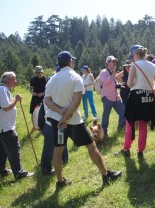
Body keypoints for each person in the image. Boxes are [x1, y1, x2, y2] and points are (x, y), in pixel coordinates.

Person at [44, 51, 121, 191]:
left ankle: (60, 181)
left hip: (58, 123)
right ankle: (106, 175)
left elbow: (47, 101)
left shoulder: (52, 79)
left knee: (58, 150)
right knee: (92, 147)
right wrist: (65, 116)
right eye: (72, 61)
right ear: (69, 62)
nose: (73, 62)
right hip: (73, 122)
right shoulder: (75, 77)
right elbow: (77, 100)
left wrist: (61, 114)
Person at [115, 45, 155, 158]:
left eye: (132, 56)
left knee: (130, 123)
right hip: (148, 96)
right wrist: (148, 90)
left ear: (135, 54)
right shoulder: (153, 65)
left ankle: (126, 148)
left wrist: (137, 85)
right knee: (143, 124)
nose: (132, 59)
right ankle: (141, 150)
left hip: (135, 96)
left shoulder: (135, 65)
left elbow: (129, 84)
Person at [0, 71, 34, 180]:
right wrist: (16, 99)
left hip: (2, 126)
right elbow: (6, 107)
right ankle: (19, 173)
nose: (16, 81)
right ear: (8, 80)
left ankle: (2, 171)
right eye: (14, 79)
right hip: (5, 127)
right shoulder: (2, 90)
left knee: (2, 149)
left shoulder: (2, 89)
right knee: (14, 148)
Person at [99, 55, 126, 136]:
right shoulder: (103, 72)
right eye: (113, 61)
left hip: (116, 97)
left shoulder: (113, 72)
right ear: (108, 62)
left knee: (123, 112)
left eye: (115, 61)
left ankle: (120, 128)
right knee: (106, 116)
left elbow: (114, 83)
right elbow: (105, 83)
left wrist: (119, 85)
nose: (115, 63)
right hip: (107, 97)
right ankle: (104, 133)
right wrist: (112, 75)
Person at [29, 66, 47, 131]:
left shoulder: (45, 79)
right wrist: (32, 92)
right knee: (33, 112)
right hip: (34, 98)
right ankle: (34, 127)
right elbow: (30, 88)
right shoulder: (33, 79)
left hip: (42, 98)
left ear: (41, 72)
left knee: (43, 112)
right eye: (36, 72)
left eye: (39, 72)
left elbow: (48, 89)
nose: (38, 74)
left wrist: (42, 93)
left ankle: (43, 126)